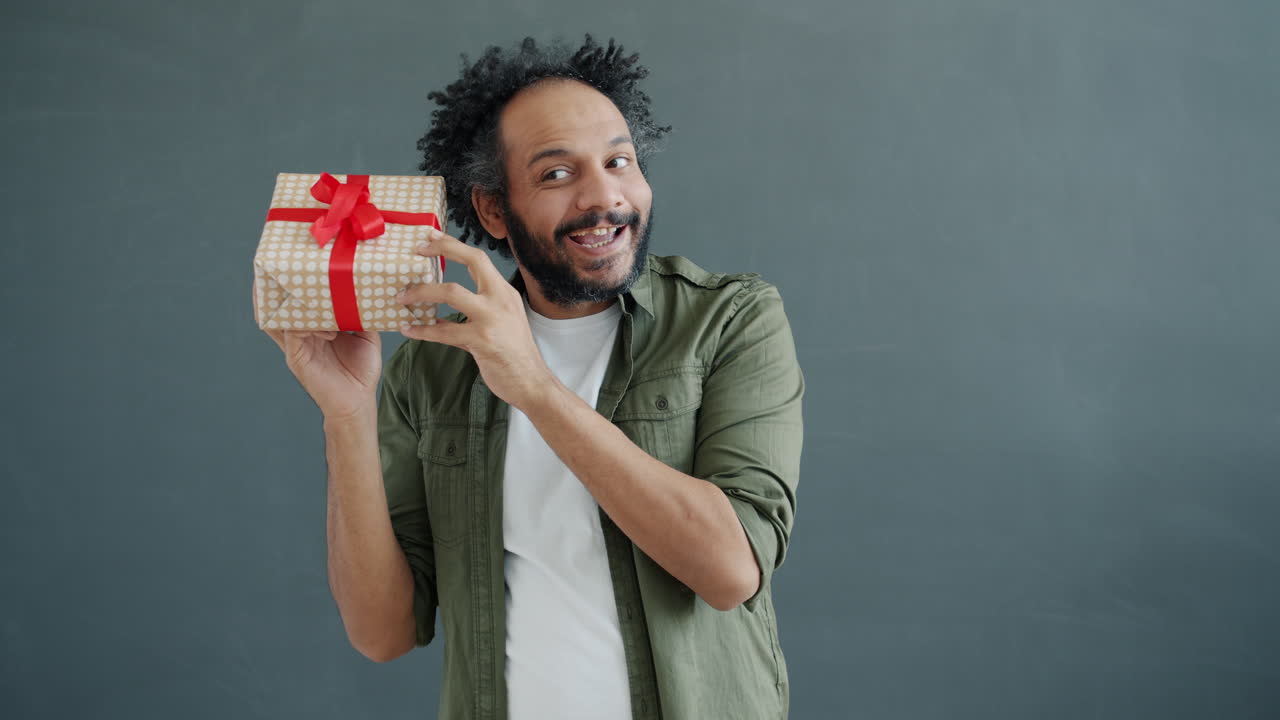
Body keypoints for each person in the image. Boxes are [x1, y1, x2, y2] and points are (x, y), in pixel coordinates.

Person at [261, 35, 803, 720]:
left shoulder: (730, 319)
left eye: (620, 161)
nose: (605, 196)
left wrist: (535, 389)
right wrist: (347, 415)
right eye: (556, 175)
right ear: (492, 209)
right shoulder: (431, 367)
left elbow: (730, 571)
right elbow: (382, 633)